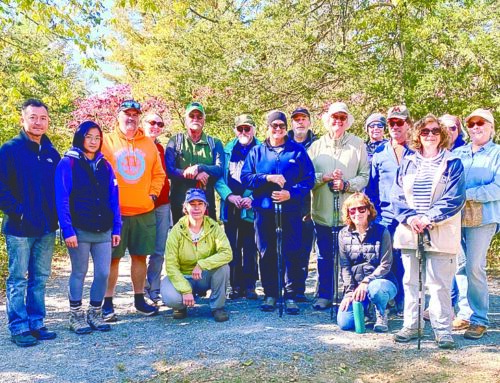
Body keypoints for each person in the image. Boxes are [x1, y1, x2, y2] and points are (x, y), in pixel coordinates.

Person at [392, 114, 465, 349]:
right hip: (410, 230)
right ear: (417, 136)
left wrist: (428, 217)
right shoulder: (408, 161)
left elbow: (454, 198)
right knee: (411, 282)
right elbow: (397, 195)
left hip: (440, 231)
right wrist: (411, 217)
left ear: (442, 134)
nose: (430, 135)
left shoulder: (453, 162)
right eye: (425, 132)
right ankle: (411, 326)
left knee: (439, 284)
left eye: (435, 131)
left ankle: (442, 330)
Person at [0, 99, 61, 347]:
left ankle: (36, 322)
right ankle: (18, 327)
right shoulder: (9, 150)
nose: (38, 122)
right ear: (23, 120)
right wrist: (19, 212)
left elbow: (59, 189)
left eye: (43, 118)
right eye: (33, 117)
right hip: (20, 229)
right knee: (18, 278)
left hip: (46, 228)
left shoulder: (51, 153)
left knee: (40, 278)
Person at [241, 110, 315, 315]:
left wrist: (290, 193)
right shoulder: (257, 151)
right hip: (264, 211)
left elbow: (309, 180)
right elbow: (246, 177)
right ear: (268, 128)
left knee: (292, 251)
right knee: (266, 252)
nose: (278, 130)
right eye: (274, 126)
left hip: (291, 210)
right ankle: (271, 293)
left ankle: (291, 295)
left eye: (282, 126)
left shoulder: (297, 151)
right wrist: (267, 178)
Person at [101, 100, 166, 321]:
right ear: (118, 116)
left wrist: (153, 196)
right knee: (112, 259)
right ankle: (107, 303)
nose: (131, 118)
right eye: (126, 113)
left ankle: (139, 299)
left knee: (140, 257)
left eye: (135, 114)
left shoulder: (148, 144)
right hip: (115, 213)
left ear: (139, 117)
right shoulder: (107, 142)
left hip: (143, 211)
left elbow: (159, 174)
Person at [55, 121, 121, 334]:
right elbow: (62, 198)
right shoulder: (68, 163)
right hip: (79, 229)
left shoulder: (106, 165)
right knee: (79, 272)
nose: (93, 141)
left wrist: (117, 228)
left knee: (102, 272)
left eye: (97, 137)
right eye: (89, 137)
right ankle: (75, 316)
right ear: (80, 137)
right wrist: (67, 230)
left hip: (103, 229)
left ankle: (95, 313)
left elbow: (114, 198)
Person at [307, 102, 369, 310]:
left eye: (342, 118)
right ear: (327, 120)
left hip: (350, 214)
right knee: (324, 256)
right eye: (334, 117)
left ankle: (349, 294)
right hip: (323, 211)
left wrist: (347, 185)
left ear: (347, 121)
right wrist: (322, 178)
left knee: (350, 256)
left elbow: (365, 176)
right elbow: (306, 177)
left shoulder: (358, 144)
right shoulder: (316, 147)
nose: (338, 121)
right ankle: (325, 294)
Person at [454, 108, 499, 340]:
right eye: (470, 123)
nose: (475, 127)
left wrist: (466, 194)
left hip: (483, 219)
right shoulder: (459, 153)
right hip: (457, 218)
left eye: (481, 122)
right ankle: (465, 313)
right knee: (459, 266)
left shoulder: (497, 154)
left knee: (474, 266)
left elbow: (497, 188)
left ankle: (480, 319)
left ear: (492, 127)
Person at [365, 105, 414, 315]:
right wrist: (372, 217)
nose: (394, 127)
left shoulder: (418, 151)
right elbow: (372, 188)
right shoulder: (380, 153)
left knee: (409, 262)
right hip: (385, 216)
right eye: (391, 123)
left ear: (408, 125)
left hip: (410, 217)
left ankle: (407, 301)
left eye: (399, 122)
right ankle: (389, 300)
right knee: (387, 260)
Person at [161, 188, 232, 322]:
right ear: (185, 207)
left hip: (204, 275)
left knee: (224, 268)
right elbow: (171, 265)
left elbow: (227, 253)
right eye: (192, 204)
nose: (196, 208)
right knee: (171, 297)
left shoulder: (214, 227)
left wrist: (202, 264)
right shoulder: (176, 231)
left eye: (200, 204)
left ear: (205, 207)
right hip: (183, 276)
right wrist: (185, 289)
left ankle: (217, 307)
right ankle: (180, 306)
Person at [337, 193, 396, 332]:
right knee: (345, 323)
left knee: (376, 289)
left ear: (369, 210)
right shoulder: (343, 234)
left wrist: (366, 282)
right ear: (348, 213)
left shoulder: (382, 231)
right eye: (352, 210)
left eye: (361, 209)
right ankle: (365, 310)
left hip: (382, 282)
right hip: (358, 288)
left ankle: (382, 312)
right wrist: (350, 292)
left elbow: (385, 265)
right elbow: (345, 266)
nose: (357, 213)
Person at [215, 114, 260, 300]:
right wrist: (229, 196)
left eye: (247, 128)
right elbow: (218, 177)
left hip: (250, 206)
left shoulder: (261, 149)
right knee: (231, 247)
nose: (243, 132)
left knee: (250, 246)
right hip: (230, 205)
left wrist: (249, 197)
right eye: (240, 129)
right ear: (235, 130)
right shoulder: (226, 150)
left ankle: (250, 285)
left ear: (253, 130)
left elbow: (263, 176)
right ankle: (235, 285)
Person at [165, 102, 224, 224]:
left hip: (206, 202)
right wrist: (193, 174)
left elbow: (219, 169)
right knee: (181, 239)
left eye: (199, 116)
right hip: (180, 202)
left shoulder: (215, 143)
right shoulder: (175, 141)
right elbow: (169, 170)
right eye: (192, 116)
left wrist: (200, 168)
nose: (195, 119)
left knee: (207, 239)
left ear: (204, 120)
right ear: (185, 119)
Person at [288, 107, 318, 301]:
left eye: (303, 118)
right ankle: (285, 287)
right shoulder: (283, 142)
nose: (300, 122)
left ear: (309, 122)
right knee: (286, 246)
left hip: (310, 203)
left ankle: (299, 288)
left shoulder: (318, 144)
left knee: (304, 248)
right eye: (296, 119)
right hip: (287, 201)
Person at [143, 112, 171, 305]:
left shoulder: (161, 148)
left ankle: (154, 288)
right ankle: (140, 289)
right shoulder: (136, 147)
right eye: (152, 122)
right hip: (141, 204)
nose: (155, 126)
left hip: (162, 203)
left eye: (159, 124)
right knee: (140, 249)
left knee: (159, 249)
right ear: (143, 124)